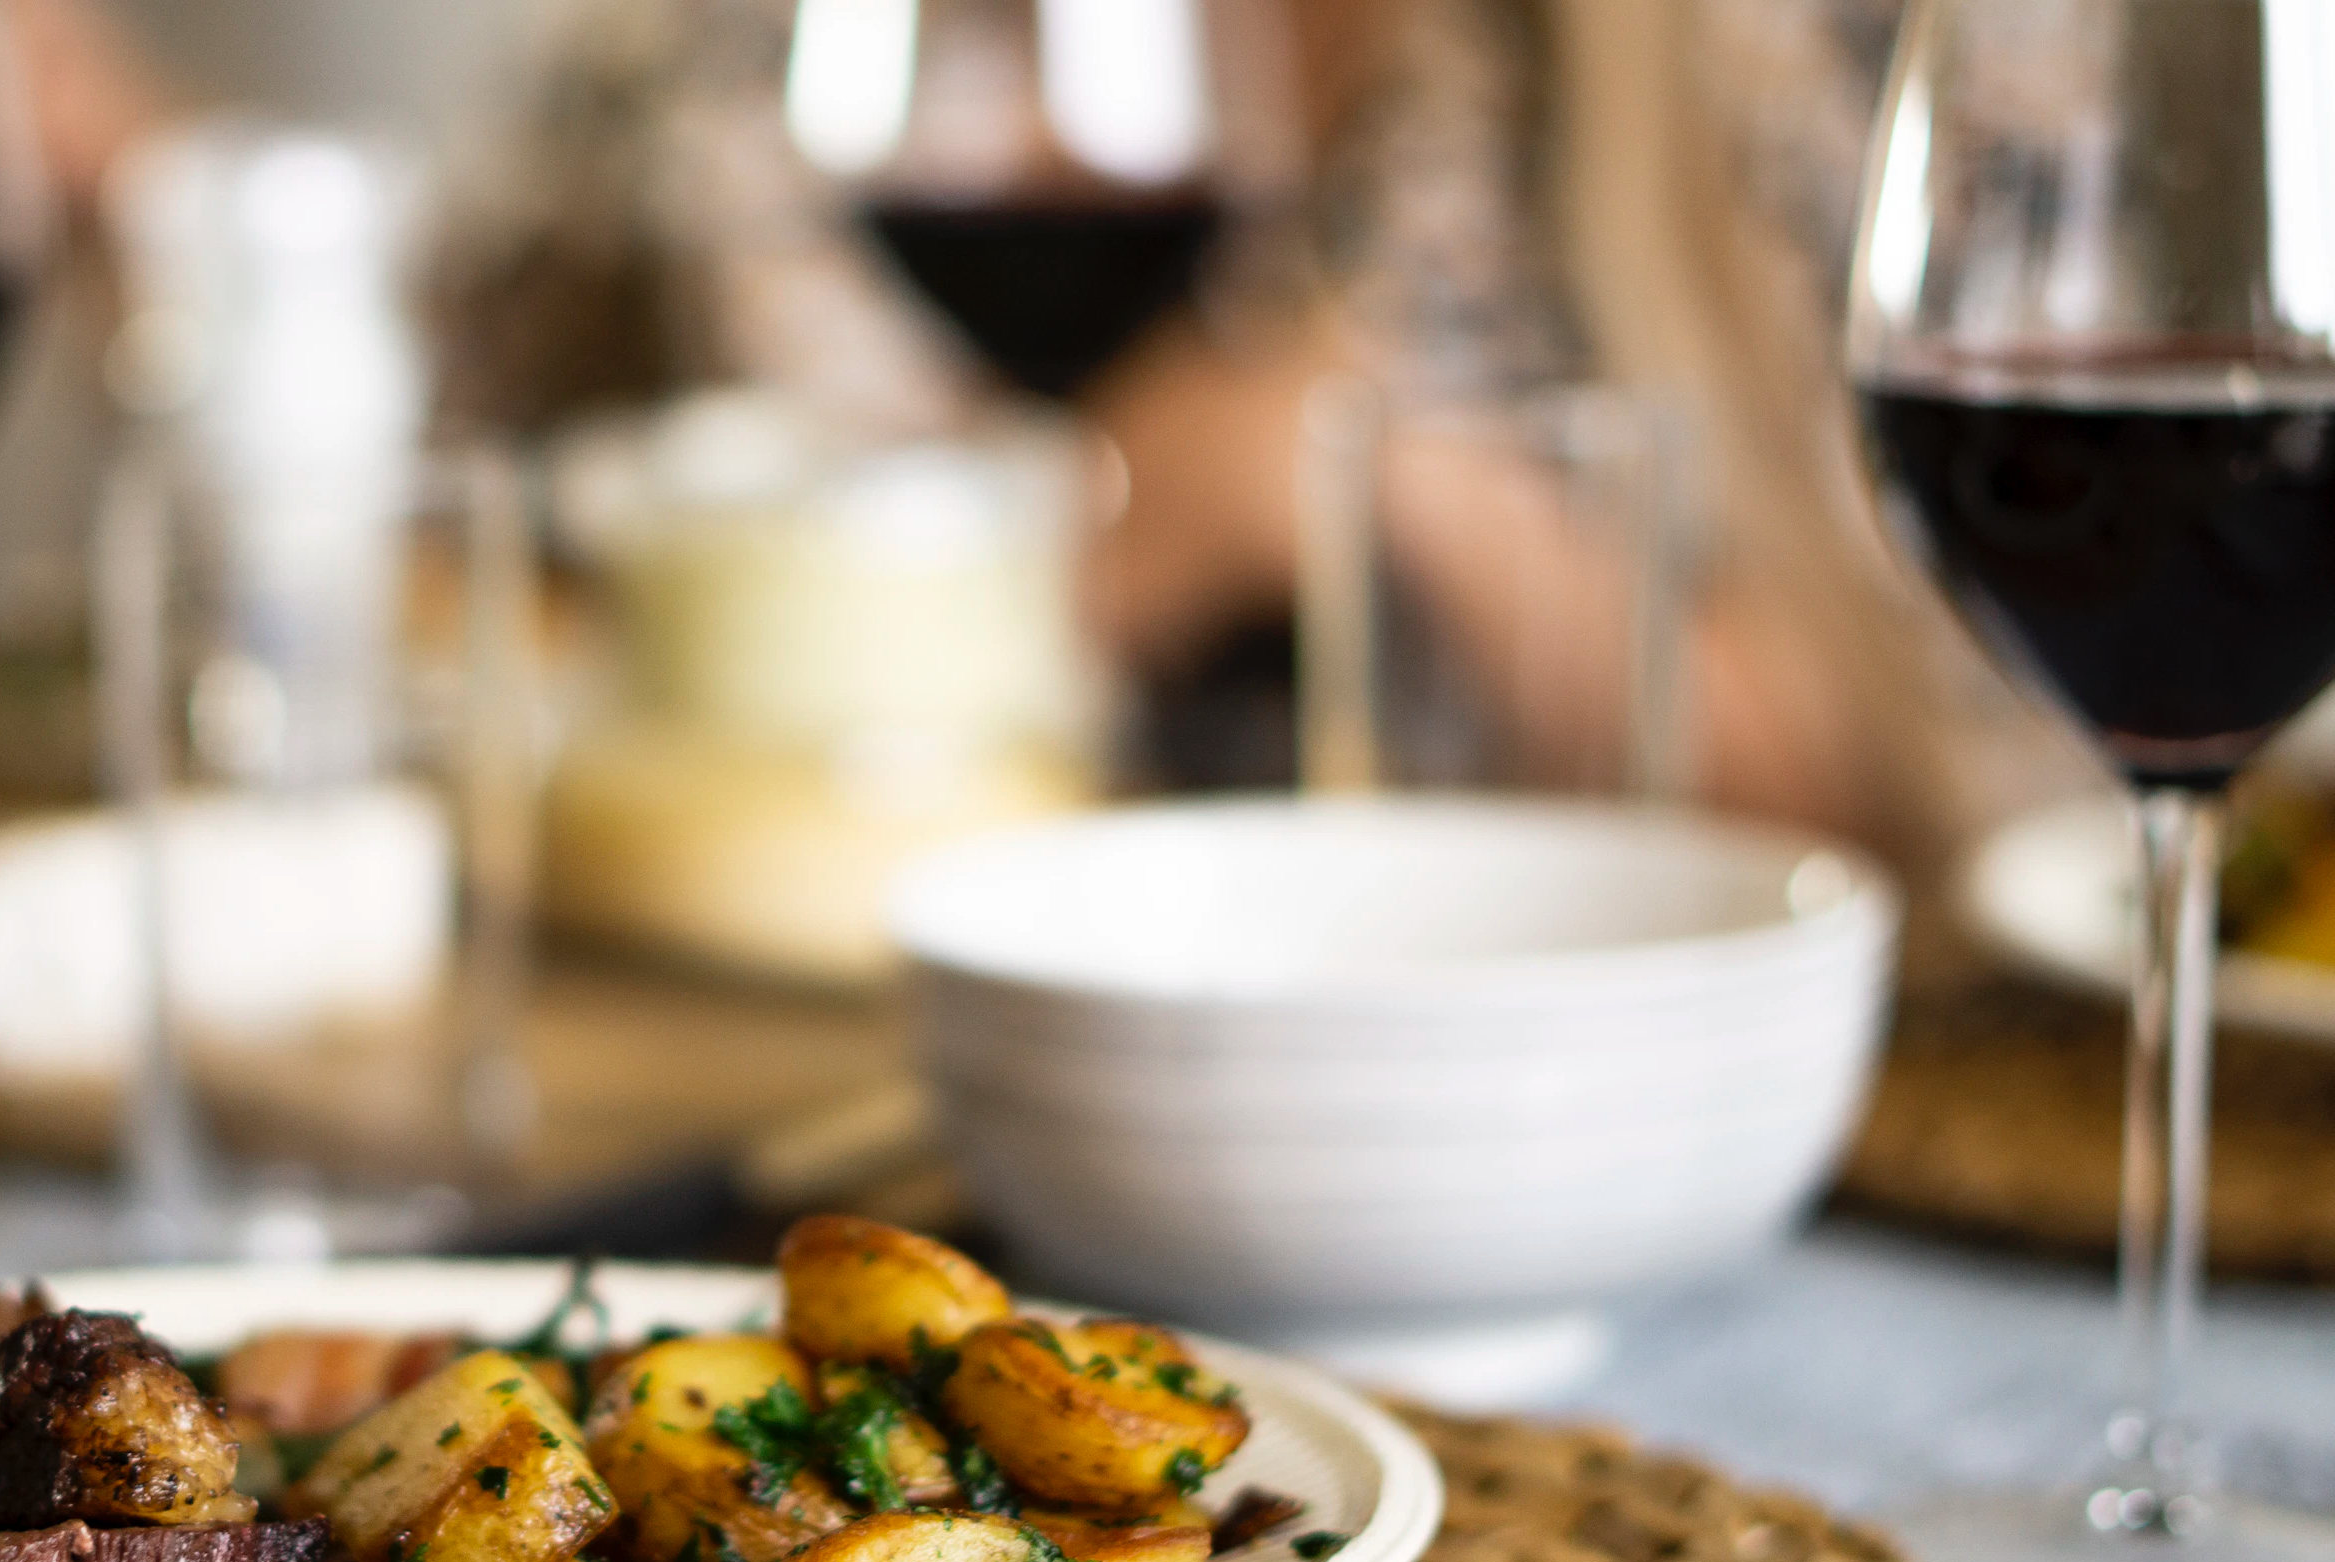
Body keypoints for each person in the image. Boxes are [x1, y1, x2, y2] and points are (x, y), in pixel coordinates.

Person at [430, 0, 2096, 896]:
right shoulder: (692, 50)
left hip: (1534, 1087)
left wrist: (1393, 497)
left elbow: (1997, 803)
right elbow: (444, 550)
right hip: (812, 1040)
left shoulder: (1798, 57)